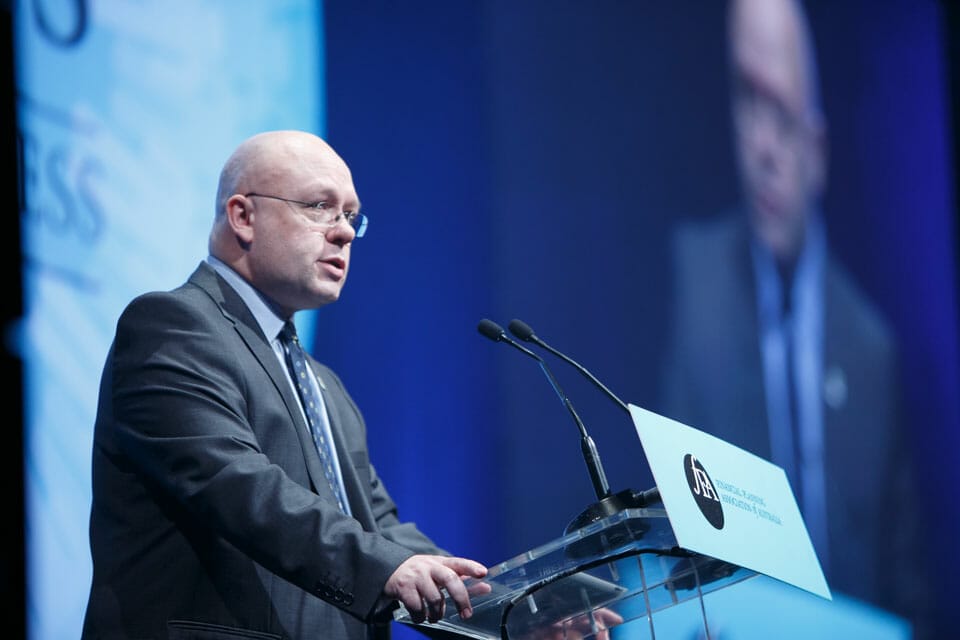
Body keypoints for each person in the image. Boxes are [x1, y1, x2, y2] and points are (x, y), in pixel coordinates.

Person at [81, 130, 487, 639]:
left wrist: (505, 614)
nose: (344, 232)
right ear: (243, 217)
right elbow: (238, 486)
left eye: (350, 215)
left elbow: (378, 527)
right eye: (320, 207)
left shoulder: (323, 385)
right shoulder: (172, 328)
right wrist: (385, 568)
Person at [660, 0, 928, 634]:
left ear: (819, 149)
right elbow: (671, 532)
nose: (762, 147)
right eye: (747, 106)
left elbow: (908, 586)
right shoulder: (698, 286)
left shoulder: (870, 349)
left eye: (780, 116)